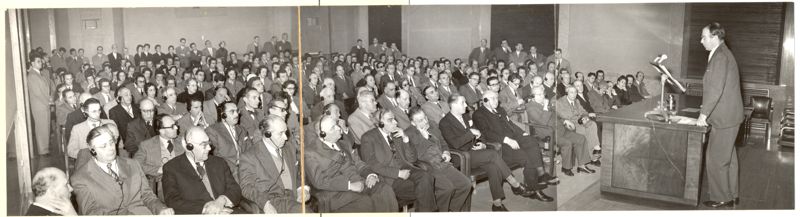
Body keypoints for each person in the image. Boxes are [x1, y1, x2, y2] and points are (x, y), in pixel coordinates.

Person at [439, 95, 542, 211]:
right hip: (463, 157)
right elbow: (455, 143)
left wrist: (483, 143)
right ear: (454, 105)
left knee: (493, 167)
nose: (466, 105)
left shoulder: (466, 116)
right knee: (493, 155)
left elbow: (481, 134)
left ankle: (497, 204)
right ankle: (515, 184)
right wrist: (470, 133)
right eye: (463, 103)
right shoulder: (445, 122)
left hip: (476, 153)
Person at [71, 124, 174, 215]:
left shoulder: (133, 164)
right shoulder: (80, 178)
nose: (110, 148)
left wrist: (161, 209)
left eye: (111, 143)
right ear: (92, 151)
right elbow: (91, 212)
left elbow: (147, 195)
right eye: (103, 146)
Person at [304, 115, 399, 212]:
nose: (338, 128)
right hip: (337, 193)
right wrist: (349, 185)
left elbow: (358, 163)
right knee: (366, 203)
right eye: (333, 128)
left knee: (384, 190)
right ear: (323, 134)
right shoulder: (310, 153)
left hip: (361, 183)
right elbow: (319, 181)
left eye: (336, 124)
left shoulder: (345, 144)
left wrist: (370, 175)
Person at [473, 91, 558, 194]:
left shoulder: (500, 109)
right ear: (485, 101)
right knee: (525, 156)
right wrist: (507, 140)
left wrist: (523, 133)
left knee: (532, 142)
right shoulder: (478, 114)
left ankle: (541, 175)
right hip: (499, 144)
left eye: (497, 98)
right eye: (493, 98)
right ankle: (533, 188)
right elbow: (486, 133)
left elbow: (510, 124)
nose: (497, 101)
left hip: (513, 138)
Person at [697, 22, 744, 208]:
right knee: (728, 158)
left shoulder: (720, 57)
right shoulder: (721, 54)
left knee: (715, 159)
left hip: (725, 118)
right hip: (729, 116)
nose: (701, 41)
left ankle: (721, 198)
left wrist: (703, 115)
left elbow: (715, 89)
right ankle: (732, 194)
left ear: (715, 37)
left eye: (704, 37)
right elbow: (718, 88)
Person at [360, 109, 437, 212]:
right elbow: (372, 164)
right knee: (426, 189)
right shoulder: (368, 138)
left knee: (426, 177)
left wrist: (406, 139)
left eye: (395, 119)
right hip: (389, 178)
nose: (395, 122)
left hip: (407, 170)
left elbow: (412, 159)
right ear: (381, 123)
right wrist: (397, 173)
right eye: (390, 120)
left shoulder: (397, 133)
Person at [162, 127, 242, 214]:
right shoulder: (171, 168)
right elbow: (173, 201)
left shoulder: (219, 162)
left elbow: (235, 189)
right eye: (204, 144)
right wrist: (207, 209)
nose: (209, 148)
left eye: (209, 143)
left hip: (227, 211)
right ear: (188, 146)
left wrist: (221, 200)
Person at [405, 108, 472, 211]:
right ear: (413, 123)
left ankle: (451, 211)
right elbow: (415, 156)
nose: (425, 122)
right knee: (448, 189)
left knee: (466, 184)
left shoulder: (432, 127)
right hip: (428, 167)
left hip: (443, 163)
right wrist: (425, 138)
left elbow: (443, 143)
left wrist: (446, 152)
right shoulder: (409, 134)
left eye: (425, 118)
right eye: (420, 120)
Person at [239, 115, 308, 213]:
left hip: (294, 198)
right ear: (267, 134)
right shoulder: (249, 157)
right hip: (274, 201)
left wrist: (302, 188)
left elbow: (297, 174)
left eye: (286, 132)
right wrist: (265, 203)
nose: (285, 137)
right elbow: (247, 187)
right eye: (281, 133)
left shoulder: (289, 148)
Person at [526, 86, 592, 176]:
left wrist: (564, 120)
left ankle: (582, 165)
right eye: (539, 94)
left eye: (543, 94)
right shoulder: (530, 107)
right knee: (567, 143)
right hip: (547, 132)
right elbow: (543, 122)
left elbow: (555, 115)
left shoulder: (543, 103)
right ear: (533, 96)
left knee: (581, 138)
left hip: (559, 128)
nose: (543, 96)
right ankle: (566, 168)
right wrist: (545, 106)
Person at [133, 114, 187, 199]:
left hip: (184, 184)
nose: (176, 128)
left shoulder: (183, 142)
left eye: (176, 124)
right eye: (172, 126)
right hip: (161, 188)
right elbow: (135, 165)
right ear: (162, 130)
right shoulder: (146, 145)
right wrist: (158, 169)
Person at [205, 101, 250, 182]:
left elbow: (250, 150)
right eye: (232, 111)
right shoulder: (212, 130)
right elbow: (216, 158)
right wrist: (236, 169)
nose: (236, 114)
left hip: (246, 170)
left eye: (237, 111)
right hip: (227, 172)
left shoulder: (242, 129)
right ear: (223, 115)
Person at [28, 56, 53, 156]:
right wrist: (48, 101)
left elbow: (45, 90)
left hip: (44, 104)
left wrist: (49, 98)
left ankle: (45, 147)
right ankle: (43, 150)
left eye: (40, 61)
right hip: (39, 105)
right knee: (41, 127)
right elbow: (38, 93)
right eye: (38, 61)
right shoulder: (32, 75)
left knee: (45, 126)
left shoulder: (39, 74)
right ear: (32, 63)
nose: (41, 63)